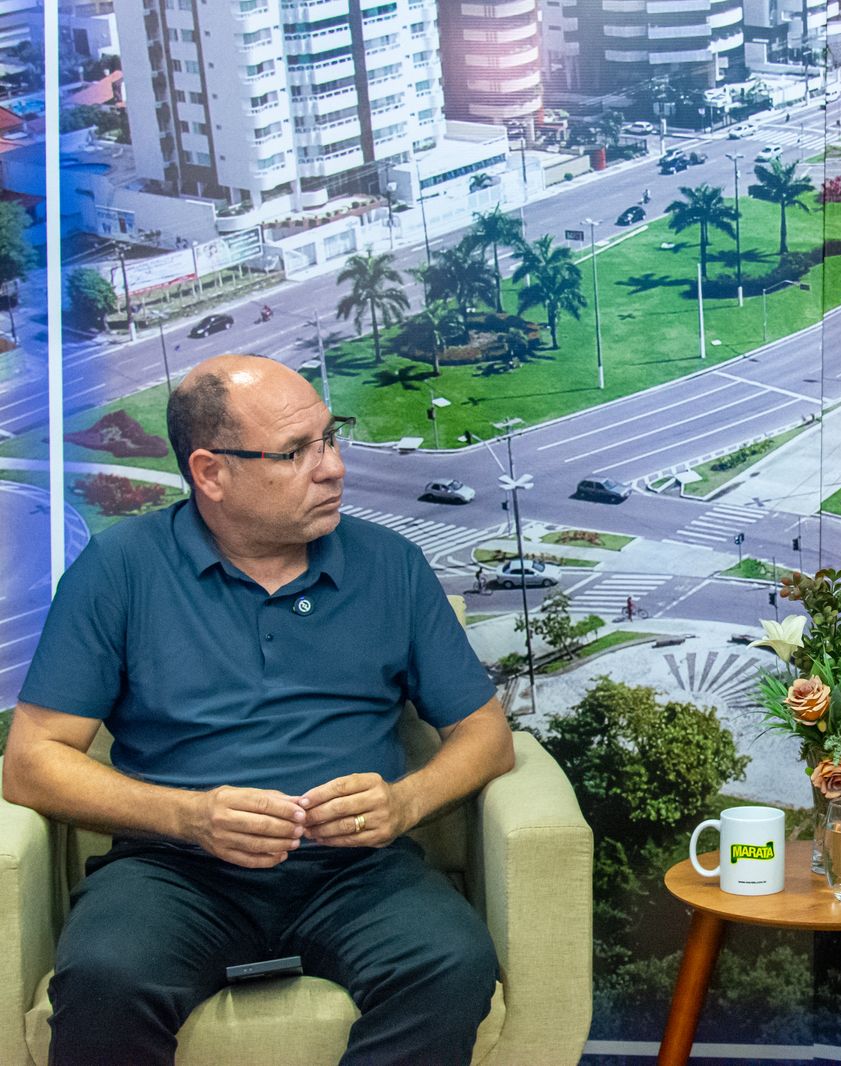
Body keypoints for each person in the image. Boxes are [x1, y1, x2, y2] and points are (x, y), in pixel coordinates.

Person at [2, 354, 516, 1066]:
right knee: (105, 976)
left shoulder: (391, 564)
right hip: (173, 871)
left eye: (330, 437)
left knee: (450, 962)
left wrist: (405, 803)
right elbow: (31, 763)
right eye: (297, 452)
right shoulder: (119, 568)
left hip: (355, 870)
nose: (334, 467)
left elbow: (487, 735)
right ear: (211, 472)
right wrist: (190, 816)